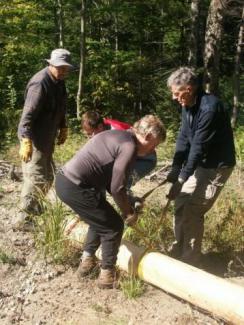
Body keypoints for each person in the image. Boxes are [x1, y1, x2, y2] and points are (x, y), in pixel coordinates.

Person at [55, 115, 166, 289]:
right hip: (76, 186)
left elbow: (110, 183)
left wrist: (128, 201)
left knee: (100, 219)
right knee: (113, 226)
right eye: (156, 144)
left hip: (67, 182)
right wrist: (129, 213)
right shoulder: (129, 147)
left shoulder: (118, 136)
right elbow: (116, 188)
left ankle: (87, 262)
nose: (154, 149)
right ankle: (107, 274)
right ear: (148, 136)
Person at [166, 67, 236, 266]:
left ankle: (190, 260)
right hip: (200, 165)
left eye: (176, 93)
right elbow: (183, 138)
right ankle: (179, 247)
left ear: (189, 88)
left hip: (216, 167)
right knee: (180, 202)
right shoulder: (187, 104)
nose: (174, 97)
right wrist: (175, 168)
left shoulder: (209, 108)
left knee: (194, 210)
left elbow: (198, 147)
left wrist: (182, 178)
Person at [14, 48, 74, 230]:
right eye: (59, 67)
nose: (63, 71)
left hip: (48, 138)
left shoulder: (59, 82)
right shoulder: (40, 84)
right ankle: (23, 220)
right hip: (35, 140)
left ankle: (35, 208)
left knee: (48, 177)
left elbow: (61, 107)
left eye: (66, 68)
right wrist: (25, 140)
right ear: (51, 64)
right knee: (36, 178)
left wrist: (63, 126)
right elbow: (27, 116)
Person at [81, 111, 157, 191]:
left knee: (122, 179)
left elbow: (128, 155)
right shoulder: (101, 128)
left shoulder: (117, 132)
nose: (90, 137)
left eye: (90, 134)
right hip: (130, 152)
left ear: (100, 127)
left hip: (146, 158)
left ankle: (126, 197)